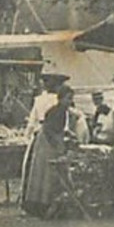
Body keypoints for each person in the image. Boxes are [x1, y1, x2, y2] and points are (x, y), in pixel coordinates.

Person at [20, 82, 87, 218]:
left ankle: (42, 203)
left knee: (45, 172)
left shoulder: (61, 110)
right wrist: (59, 144)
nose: (70, 102)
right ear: (61, 98)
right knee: (45, 172)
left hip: (48, 139)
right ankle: (42, 203)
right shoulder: (58, 111)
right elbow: (50, 129)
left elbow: (58, 129)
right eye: (68, 99)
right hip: (46, 142)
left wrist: (66, 135)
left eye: (71, 99)